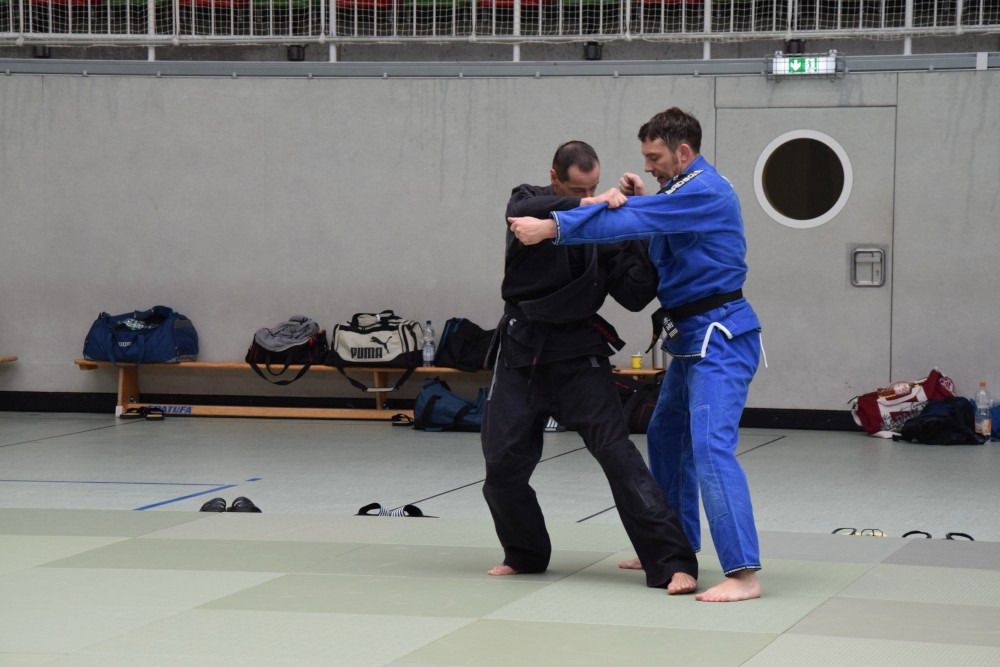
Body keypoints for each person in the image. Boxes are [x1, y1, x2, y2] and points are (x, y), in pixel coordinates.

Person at [508, 109, 764, 602]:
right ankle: (675, 547)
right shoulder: (682, 189)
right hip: (690, 337)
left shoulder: (705, 190)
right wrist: (646, 197)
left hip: (721, 338)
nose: (647, 165)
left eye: (655, 157)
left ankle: (744, 572)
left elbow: (632, 219)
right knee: (666, 436)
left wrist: (552, 227)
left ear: (683, 152)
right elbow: (656, 217)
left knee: (710, 446)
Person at [482, 140, 698, 595]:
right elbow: (522, 209)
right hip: (522, 349)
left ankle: (672, 561)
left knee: (618, 455)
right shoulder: (529, 204)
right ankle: (524, 553)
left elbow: (635, 295)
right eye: (578, 189)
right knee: (503, 463)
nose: (589, 195)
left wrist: (637, 223)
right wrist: (589, 205)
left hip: (578, 353)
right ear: (555, 178)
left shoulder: (603, 229)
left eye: (594, 187)